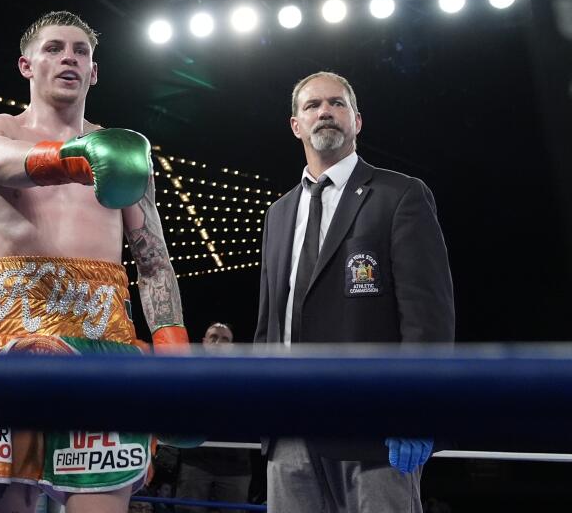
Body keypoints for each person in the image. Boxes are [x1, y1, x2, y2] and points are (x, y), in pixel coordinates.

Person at [0, 11, 188, 513]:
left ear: (94, 71)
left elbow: (153, 264)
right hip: (11, 342)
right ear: (26, 65)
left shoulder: (127, 154)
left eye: (80, 51)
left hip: (106, 349)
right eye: (54, 48)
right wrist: (81, 157)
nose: (69, 58)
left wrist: (175, 357)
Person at [253, 71, 455, 512]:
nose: (325, 111)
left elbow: (428, 318)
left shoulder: (400, 196)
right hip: (288, 426)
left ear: (357, 121)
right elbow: (270, 321)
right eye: (312, 106)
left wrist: (418, 411)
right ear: (296, 125)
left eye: (337, 103)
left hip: (375, 427)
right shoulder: (278, 213)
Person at [175, 323, 251, 513]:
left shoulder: (246, 376)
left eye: (225, 339)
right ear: (204, 342)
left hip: (236, 463)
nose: (218, 342)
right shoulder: (188, 373)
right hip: (196, 459)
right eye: (214, 337)